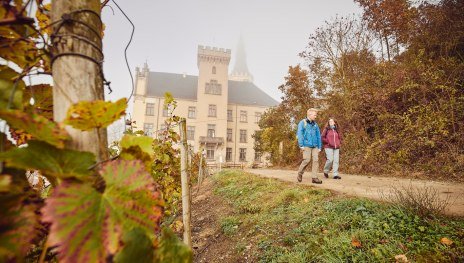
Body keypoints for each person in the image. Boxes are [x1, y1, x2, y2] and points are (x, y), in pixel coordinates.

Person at [297, 108, 322, 184]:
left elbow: (318, 135)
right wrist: (301, 145)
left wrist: (319, 146)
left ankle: (314, 178)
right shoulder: (302, 123)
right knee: (307, 160)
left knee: (316, 160)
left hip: (315, 145)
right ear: (310, 115)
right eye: (315, 115)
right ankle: (300, 174)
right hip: (306, 145)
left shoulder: (315, 124)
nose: (316, 116)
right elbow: (300, 134)